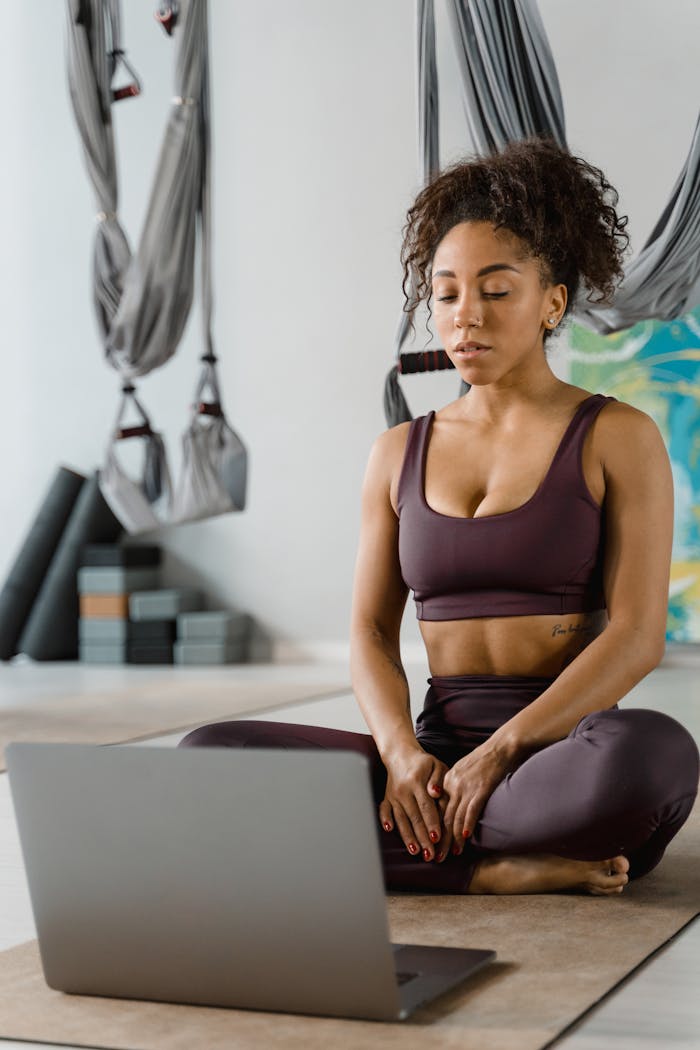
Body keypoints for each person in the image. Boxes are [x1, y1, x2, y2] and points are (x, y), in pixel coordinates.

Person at [180, 137, 699, 896]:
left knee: (652, 755)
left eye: (496, 290)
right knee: (209, 755)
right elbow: (366, 631)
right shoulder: (397, 452)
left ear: (552, 301)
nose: (465, 317)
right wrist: (398, 756)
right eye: (447, 293)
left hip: (558, 759)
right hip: (434, 765)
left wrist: (502, 752)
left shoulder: (617, 436)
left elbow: (635, 636)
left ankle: (407, 853)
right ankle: (491, 869)